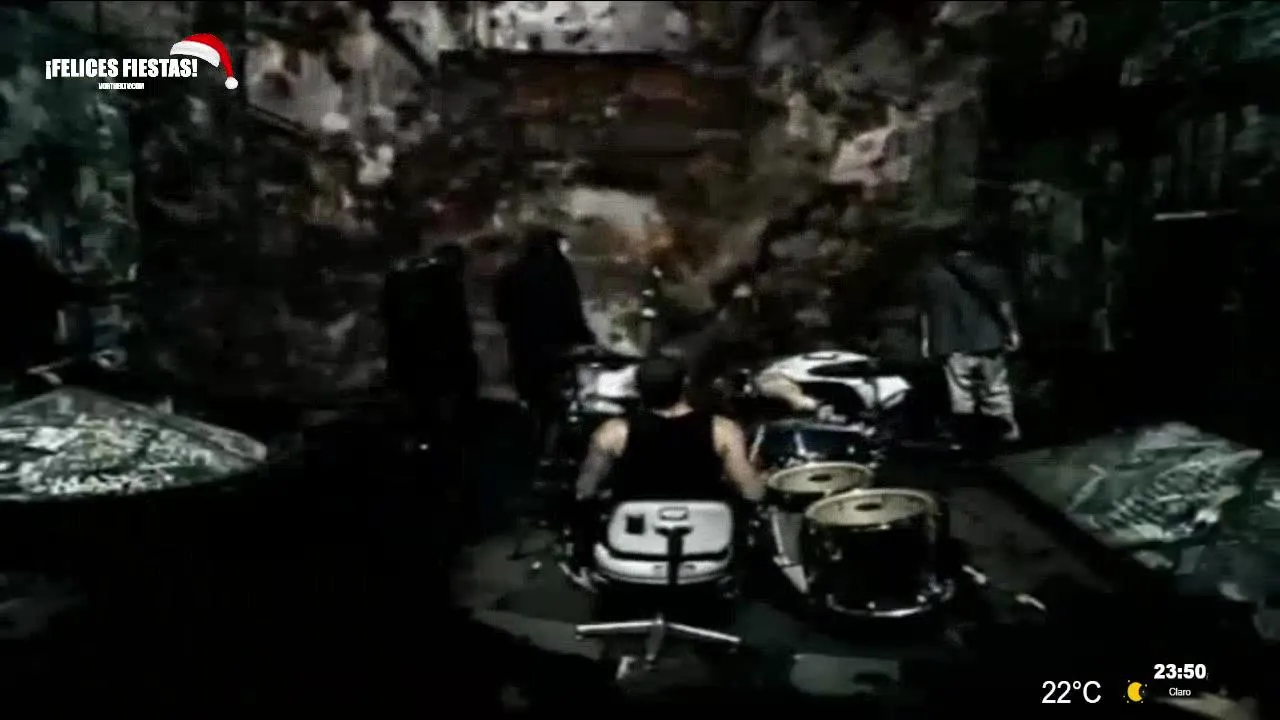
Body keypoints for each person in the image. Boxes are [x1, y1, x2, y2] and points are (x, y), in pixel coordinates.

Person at [573, 354, 763, 507]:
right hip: (705, 535)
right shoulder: (723, 430)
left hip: (633, 535)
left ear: (638, 390)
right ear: (684, 385)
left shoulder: (613, 433)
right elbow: (752, 492)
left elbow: (585, 490)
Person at [495, 226, 596, 451]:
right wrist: (585, 336)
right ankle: (549, 443)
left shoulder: (512, 272)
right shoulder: (560, 271)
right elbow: (572, 309)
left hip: (523, 344)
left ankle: (530, 437)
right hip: (556, 345)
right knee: (554, 396)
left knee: (531, 392)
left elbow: (502, 312)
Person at [918, 229, 1022, 442]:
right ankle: (1005, 434)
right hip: (988, 340)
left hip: (950, 343)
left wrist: (927, 339)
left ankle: (967, 438)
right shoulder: (992, 272)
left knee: (961, 396)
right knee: (996, 391)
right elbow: (1004, 307)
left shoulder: (933, 276)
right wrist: (1012, 330)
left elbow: (926, 312)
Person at [380, 242, 479, 438]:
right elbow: (459, 326)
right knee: (441, 412)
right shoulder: (448, 282)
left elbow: (387, 316)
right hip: (440, 360)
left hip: (405, 357)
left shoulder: (401, 277)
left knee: (412, 409)